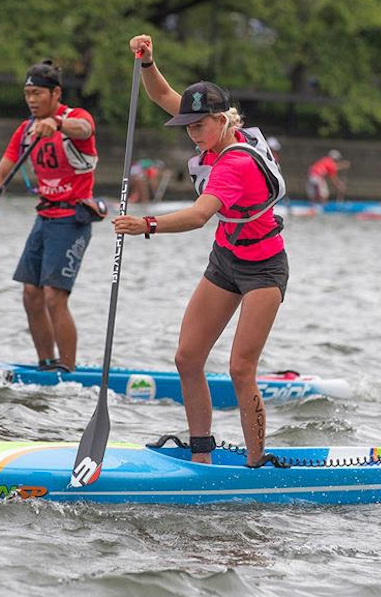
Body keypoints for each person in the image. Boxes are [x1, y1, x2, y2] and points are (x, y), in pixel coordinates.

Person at [112, 34, 288, 469]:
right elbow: (165, 96)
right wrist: (148, 62)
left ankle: (256, 463)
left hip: (264, 268)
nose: (193, 133)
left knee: (240, 369)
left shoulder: (235, 163)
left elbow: (197, 216)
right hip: (227, 261)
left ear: (224, 121)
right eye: (188, 127)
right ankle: (201, 457)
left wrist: (146, 224)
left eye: (198, 126)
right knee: (187, 357)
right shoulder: (218, 130)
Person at [0, 60, 102, 373]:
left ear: (55, 93)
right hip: (44, 217)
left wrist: (57, 124)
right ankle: (47, 365)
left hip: (73, 218)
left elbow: (85, 129)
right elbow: (2, 171)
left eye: (37, 93)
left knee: (53, 296)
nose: (31, 100)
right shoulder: (25, 130)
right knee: (31, 294)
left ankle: (68, 371)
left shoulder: (75, 118)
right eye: (27, 94)